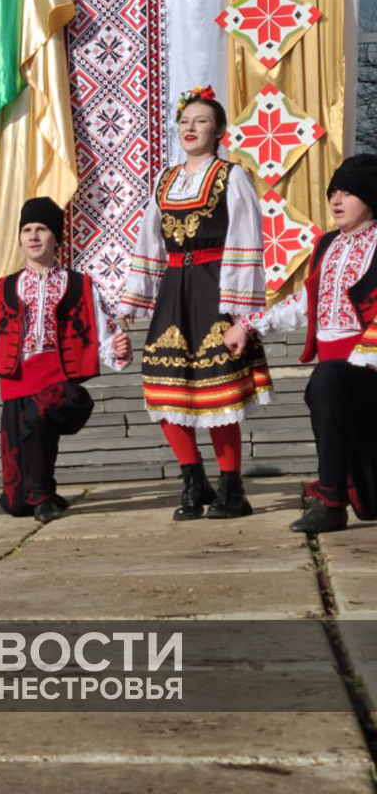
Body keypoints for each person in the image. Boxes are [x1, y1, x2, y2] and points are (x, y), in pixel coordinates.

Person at [118, 85, 271, 521]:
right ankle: (193, 480)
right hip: (173, 290)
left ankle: (232, 488)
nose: (190, 127)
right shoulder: (165, 180)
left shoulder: (231, 176)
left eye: (201, 121)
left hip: (214, 288)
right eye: (184, 121)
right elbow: (149, 243)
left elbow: (245, 240)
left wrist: (240, 313)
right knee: (164, 384)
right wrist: (131, 304)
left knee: (218, 389)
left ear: (218, 131)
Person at [224, 154, 377, 534]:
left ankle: (332, 502)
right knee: (326, 386)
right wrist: (249, 324)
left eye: (348, 192)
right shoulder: (326, 245)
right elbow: (307, 302)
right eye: (333, 192)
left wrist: (358, 362)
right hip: (338, 375)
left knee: (326, 381)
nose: (336, 200)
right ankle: (348, 492)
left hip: (368, 369)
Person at [0, 198, 131, 522]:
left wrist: (116, 350)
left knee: (38, 417)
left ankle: (44, 495)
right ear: (20, 238)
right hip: (16, 386)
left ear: (56, 238)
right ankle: (40, 493)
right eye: (27, 229)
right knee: (15, 503)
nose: (33, 236)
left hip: (59, 385)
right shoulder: (4, 287)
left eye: (42, 229)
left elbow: (104, 331)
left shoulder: (80, 284)